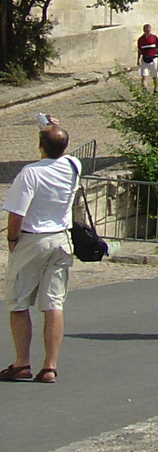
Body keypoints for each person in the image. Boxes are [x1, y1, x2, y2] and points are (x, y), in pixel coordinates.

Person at [3, 123, 79, 382]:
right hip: (61, 238)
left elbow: (17, 214)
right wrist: (52, 126)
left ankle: (22, 362)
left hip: (34, 238)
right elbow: (60, 146)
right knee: (53, 303)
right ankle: (50, 366)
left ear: (40, 146)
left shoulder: (30, 173)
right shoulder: (72, 166)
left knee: (18, 301)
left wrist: (12, 239)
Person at [135, 23, 158, 90]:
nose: (148, 32)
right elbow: (139, 50)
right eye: (147, 30)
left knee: (155, 76)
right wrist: (138, 60)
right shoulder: (140, 39)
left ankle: (156, 89)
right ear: (144, 30)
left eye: (149, 30)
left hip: (154, 58)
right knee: (144, 76)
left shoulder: (154, 38)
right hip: (144, 58)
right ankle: (144, 90)